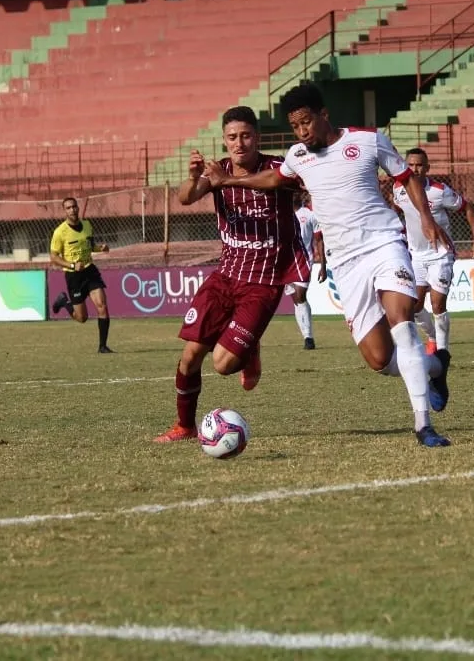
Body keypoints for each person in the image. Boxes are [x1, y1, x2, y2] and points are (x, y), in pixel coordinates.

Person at [204, 83, 453, 448]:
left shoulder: (368, 140)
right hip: (345, 263)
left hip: (384, 243)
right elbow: (274, 179)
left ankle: (422, 425)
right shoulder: (298, 156)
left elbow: (406, 178)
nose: (302, 132)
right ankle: (436, 366)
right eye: (295, 127)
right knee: (380, 360)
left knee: (402, 321)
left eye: (307, 122)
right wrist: (229, 180)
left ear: (323, 115)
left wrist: (426, 218)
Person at [155, 105, 310, 443]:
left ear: (257, 137)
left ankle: (249, 349)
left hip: (264, 282)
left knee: (223, 365)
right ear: (224, 141)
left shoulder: (279, 169)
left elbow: (282, 182)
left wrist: (229, 181)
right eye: (232, 137)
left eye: (246, 136)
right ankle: (184, 426)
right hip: (225, 276)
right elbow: (185, 198)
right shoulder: (217, 171)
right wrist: (196, 177)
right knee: (190, 355)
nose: (239, 143)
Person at [392, 147, 474, 355]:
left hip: (441, 254)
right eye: (411, 165)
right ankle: (433, 337)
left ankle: (443, 352)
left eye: (419, 165)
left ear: (427, 168)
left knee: (437, 303)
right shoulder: (398, 189)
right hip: (415, 255)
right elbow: (400, 212)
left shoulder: (439, 190)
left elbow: (468, 209)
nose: (415, 169)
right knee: (414, 307)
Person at [49, 197, 113, 353]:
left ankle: (102, 346)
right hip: (74, 276)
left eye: (74, 206)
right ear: (65, 211)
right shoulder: (60, 232)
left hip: (89, 270)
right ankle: (64, 301)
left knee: (102, 306)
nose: (72, 210)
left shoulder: (87, 225)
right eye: (68, 208)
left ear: (78, 208)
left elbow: (91, 246)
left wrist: (100, 248)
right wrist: (72, 265)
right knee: (82, 318)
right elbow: (54, 257)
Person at [289, 191, 319, 350]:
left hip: (304, 261)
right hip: (287, 263)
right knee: (295, 299)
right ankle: (306, 337)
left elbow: (319, 239)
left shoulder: (308, 214)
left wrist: (324, 265)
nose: (293, 195)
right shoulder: (282, 214)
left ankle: (309, 336)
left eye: (295, 193)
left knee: (300, 295)